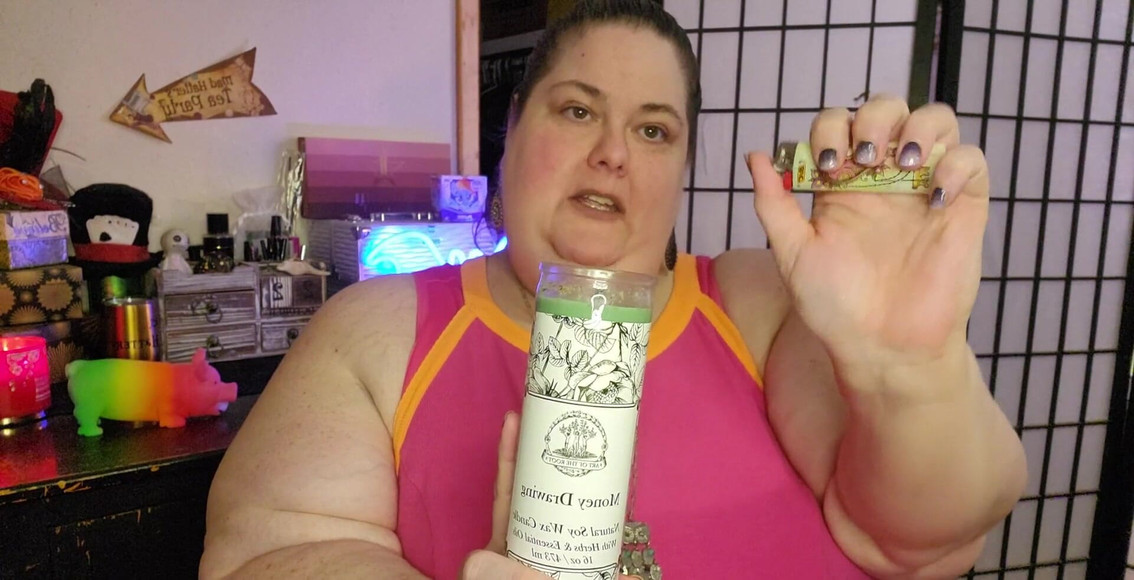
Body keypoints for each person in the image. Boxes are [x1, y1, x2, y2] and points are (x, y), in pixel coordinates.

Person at [199, 1, 1027, 578]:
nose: (614, 153)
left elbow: (926, 542)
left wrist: (905, 371)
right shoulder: (375, 331)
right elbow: (270, 554)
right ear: (511, 130)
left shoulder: (762, 306)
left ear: (682, 170)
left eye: (654, 129)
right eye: (577, 111)